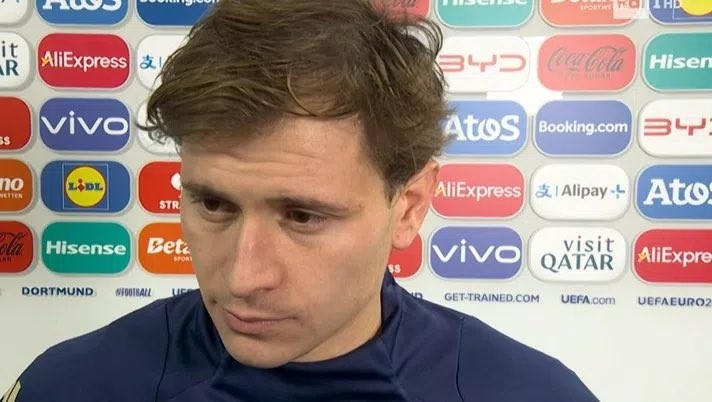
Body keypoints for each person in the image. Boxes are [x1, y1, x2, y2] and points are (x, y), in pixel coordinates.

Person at [3, 0, 600, 401]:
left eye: (303, 216)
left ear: (410, 206)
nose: (243, 277)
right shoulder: (70, 386)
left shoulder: (532, 394)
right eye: (214, 205)